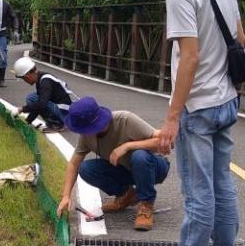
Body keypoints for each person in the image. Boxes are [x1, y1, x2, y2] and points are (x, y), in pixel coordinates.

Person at [144, 0, 245, 246]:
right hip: (227, 99)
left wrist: (172, 117)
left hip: (198, 105)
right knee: (223, 183)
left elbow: (189, 56)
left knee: (198, 190)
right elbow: (239, 34)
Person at [56, 97, 170, 231]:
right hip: (126, 170)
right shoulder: (86, 135)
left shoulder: (125, 120)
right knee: (85, 169)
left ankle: (146, 204)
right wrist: (66, 196)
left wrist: (128, 146)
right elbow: (73, 164)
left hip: (154, 167)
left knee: (139, 155)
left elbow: (163, 141)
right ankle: (126, 195)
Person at [12, 56, 76, 132]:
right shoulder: (41, 79)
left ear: (27, 76)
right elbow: (39, 105)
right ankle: (54, 123)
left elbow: (41, 104)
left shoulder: (45, 82)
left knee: (33, 98)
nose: (25, 81)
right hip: (64, 108)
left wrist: (22, 109)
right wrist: (28, 121)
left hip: (67, 112)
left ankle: (56, 124)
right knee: (34, 98)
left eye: (23, 78)